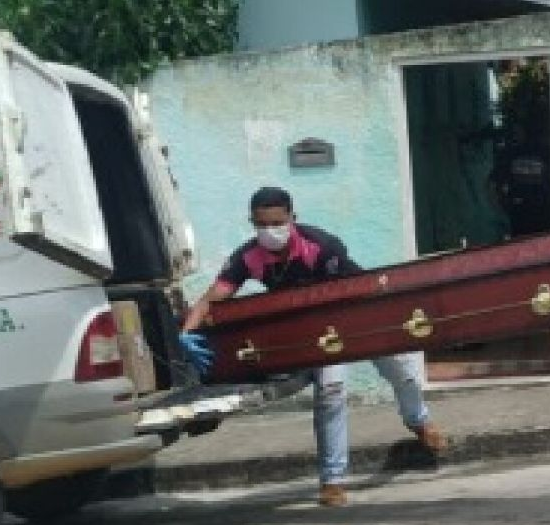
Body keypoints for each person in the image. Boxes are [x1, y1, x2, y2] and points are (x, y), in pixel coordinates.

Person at [178, 187, 447, 507]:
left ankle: (419, 421)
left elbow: (357, 287)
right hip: (318, 333)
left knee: (398, 369)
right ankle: (332, 481)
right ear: (252, 222)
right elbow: (213, 298)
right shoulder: (248, 257)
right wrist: (186, 333)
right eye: (261, 225)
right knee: (330, 390)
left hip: (356, 314)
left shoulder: (321, 246)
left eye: (277, 223)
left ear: (293, 218)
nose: (270, 232)